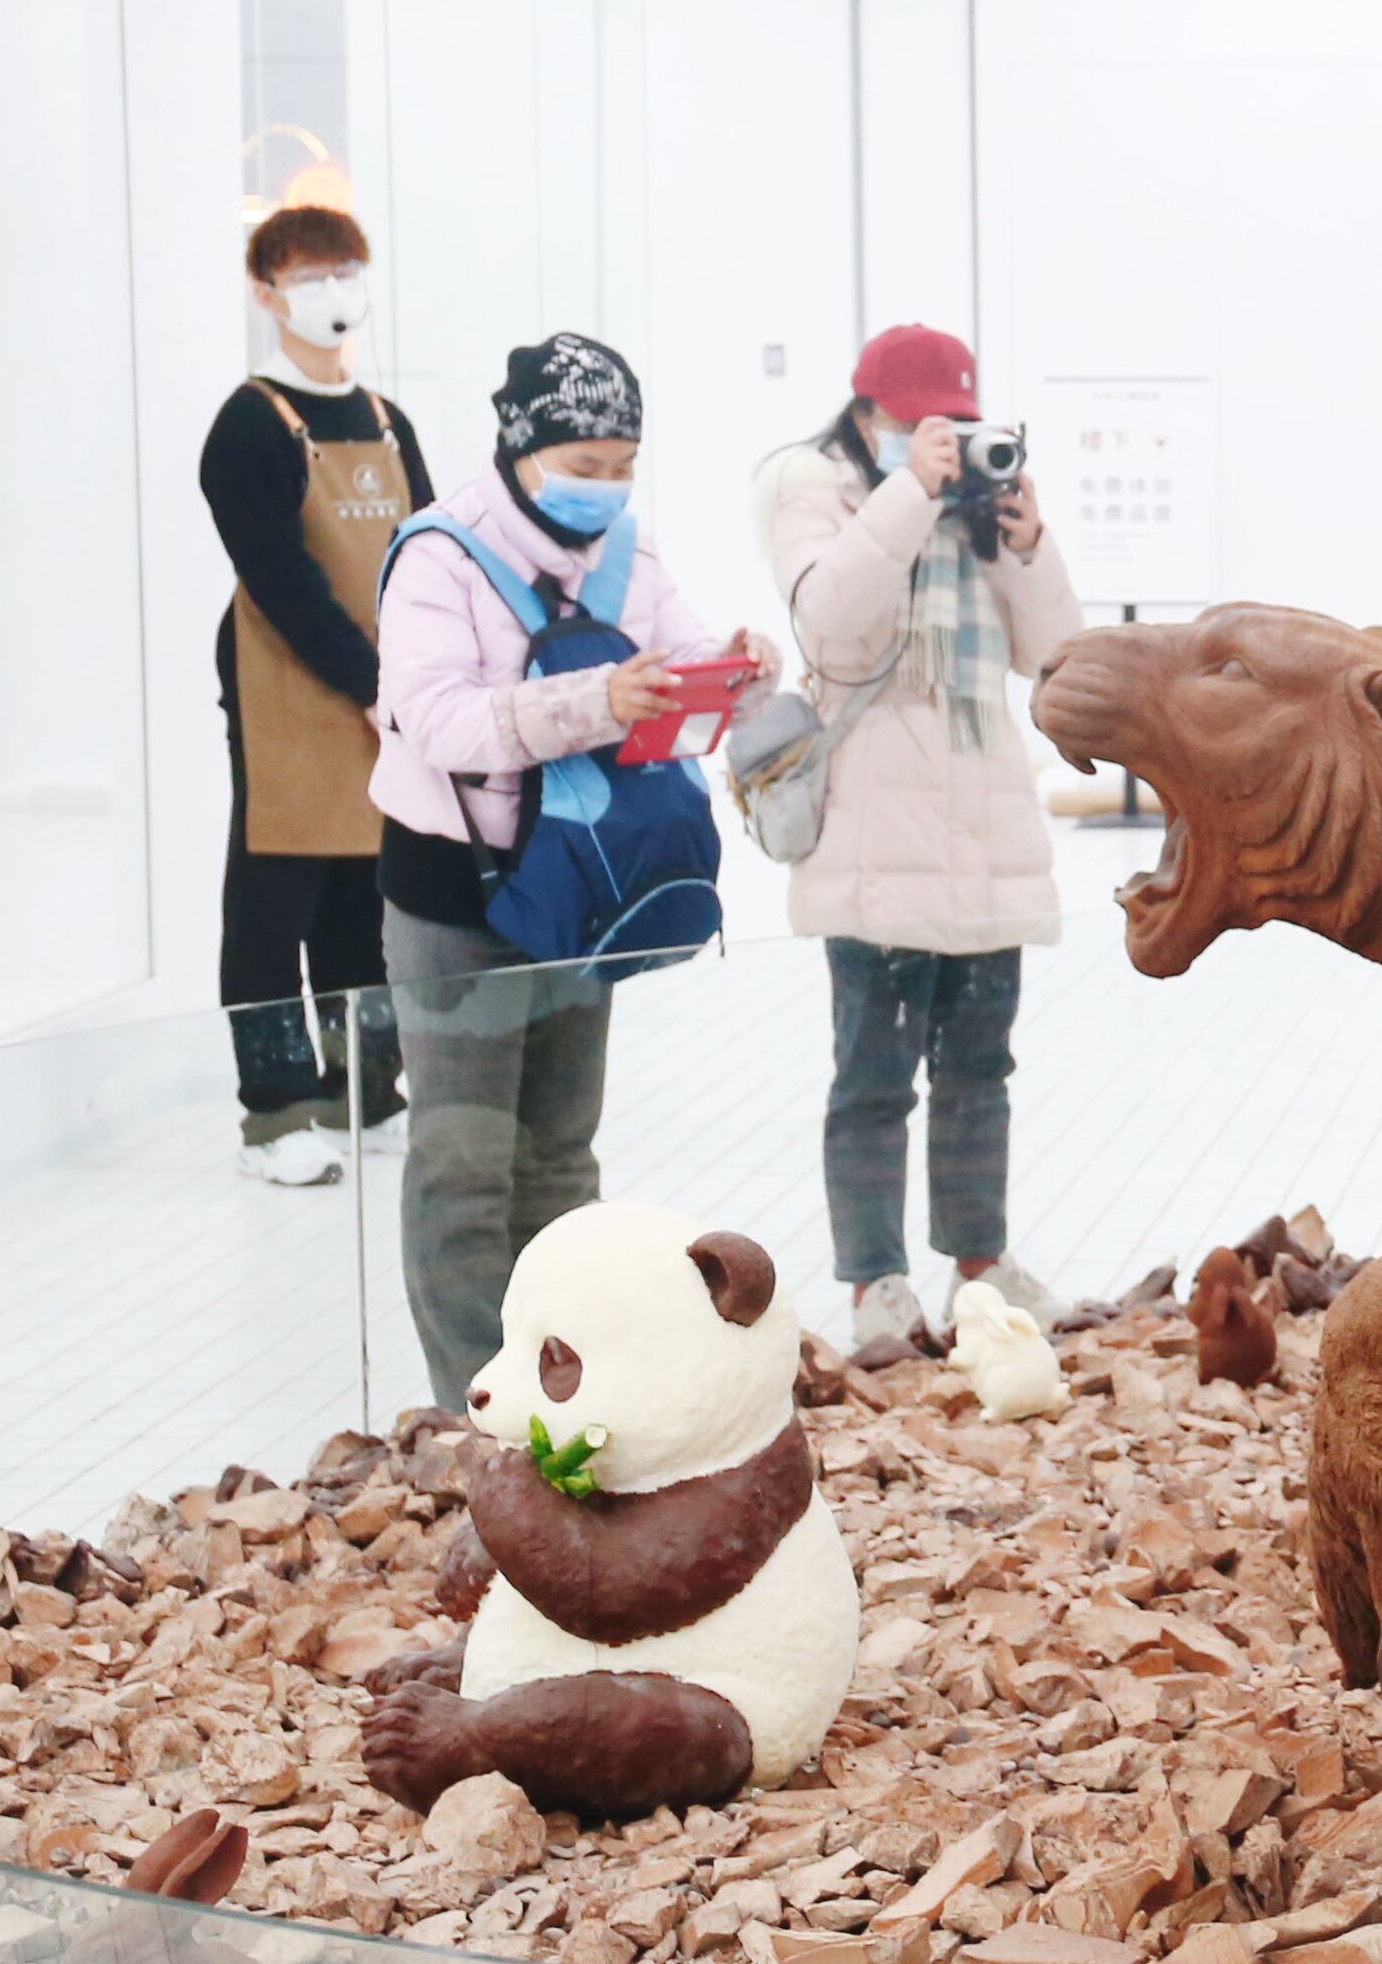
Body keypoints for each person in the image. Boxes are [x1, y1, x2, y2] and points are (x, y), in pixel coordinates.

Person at [371, 332, 764, 1399]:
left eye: (622, 464)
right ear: (521, 448)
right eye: (584, 465)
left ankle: (560, 1384)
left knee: (557, 1156)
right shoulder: (437, 555)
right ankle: (468, 1406)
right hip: (457, 898)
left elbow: (673, 662)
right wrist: (594, 703)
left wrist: (728, 670)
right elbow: (435, 720)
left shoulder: (627, 551)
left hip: (580, 895)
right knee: (462, 1166)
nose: (605, 487)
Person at [753, 323, 1085, 1360]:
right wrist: (909, 493)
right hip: (871, 830)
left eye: (959, 427)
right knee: (873, 1076)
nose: (943, 444)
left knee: (981, 1068)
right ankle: (875, 1286)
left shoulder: (977, 508)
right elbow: (830, 625)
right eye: (918, 426)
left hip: (985, 825)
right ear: (868, 419)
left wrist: (1028, 547)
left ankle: (980, 1264)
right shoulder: (813, 487)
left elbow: (1060, 660)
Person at [202, 204, 432, 1185]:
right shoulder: (250, 424)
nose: (334, 291)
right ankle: (275, 1114)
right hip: (292, 691)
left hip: (382, 692)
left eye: (348, 270)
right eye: (310, 275)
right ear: (265, 293)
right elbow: (283, 580)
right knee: (273, 907)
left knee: (363, 901)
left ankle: (365, 1095)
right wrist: (370, 680)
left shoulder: (386, 418)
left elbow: (430, 557)